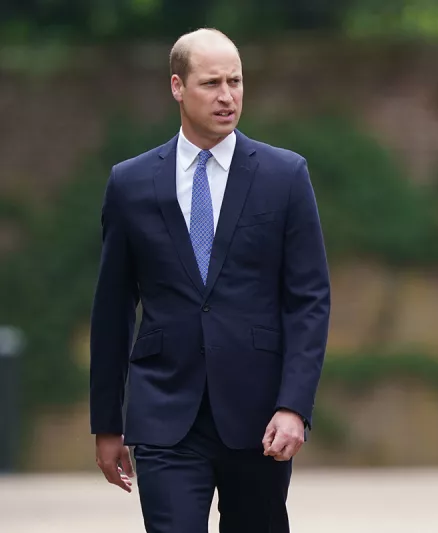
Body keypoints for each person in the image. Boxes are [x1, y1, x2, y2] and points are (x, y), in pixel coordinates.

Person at [89, 28, 331, 532]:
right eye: (211, 83)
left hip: (259, 415)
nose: (227, 96)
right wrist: (107, 424)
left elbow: (308, 300)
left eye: (236, 82)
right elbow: (112, 309)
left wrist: (294, 407)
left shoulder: (285, 176)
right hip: (164, 413)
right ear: (177, 86)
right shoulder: (130, 183)